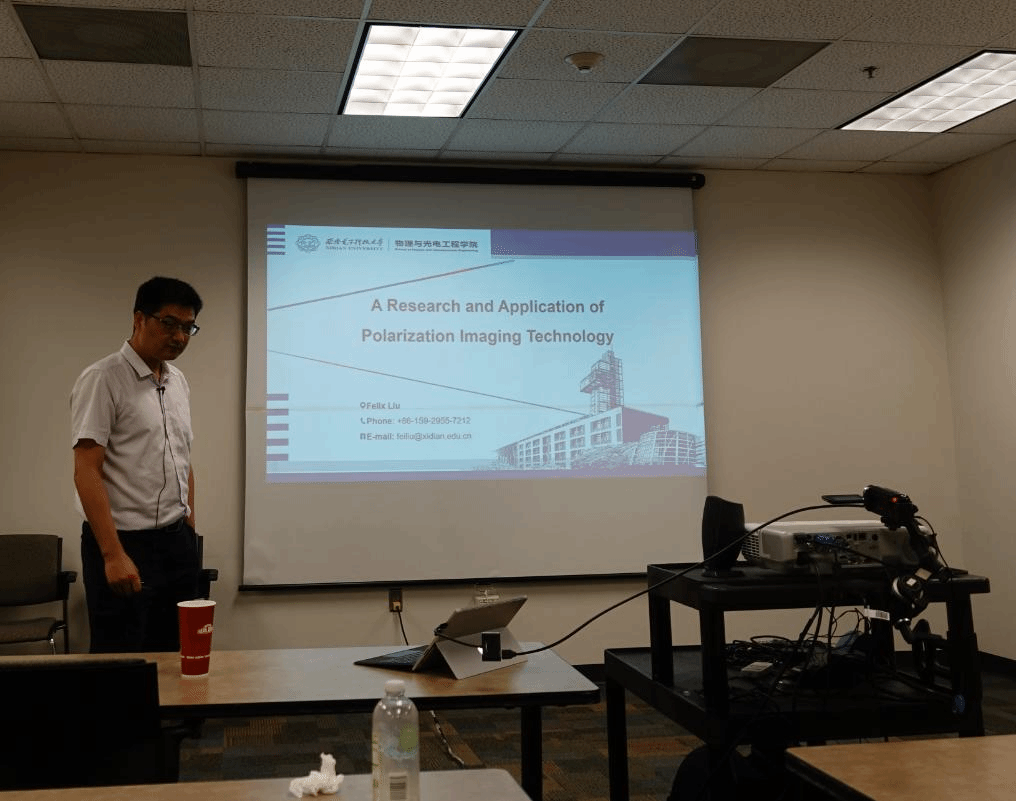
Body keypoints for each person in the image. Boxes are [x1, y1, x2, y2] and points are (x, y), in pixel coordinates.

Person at [71, 276, 204, 653]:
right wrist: (112, 554)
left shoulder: (177, 381)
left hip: (176, 542)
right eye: (169, 323)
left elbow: (182, 458)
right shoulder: (103, 379)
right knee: (120, 658)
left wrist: (189, 530)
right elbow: (86, 469)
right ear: (139, 319)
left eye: (188, 327)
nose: (179, 336)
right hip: (125, 542)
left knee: (174, 654)